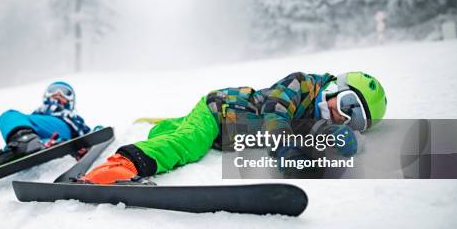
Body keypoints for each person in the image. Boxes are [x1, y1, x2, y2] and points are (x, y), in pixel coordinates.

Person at [82, 72, 387, 184]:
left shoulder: (319, 122)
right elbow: (275, 111)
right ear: (337, 87)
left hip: (226, 132)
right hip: (219, 111)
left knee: (187, 133)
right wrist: (286, 148)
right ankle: (124, 163)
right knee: (190, 142)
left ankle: (167, 127)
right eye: (348, 104)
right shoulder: (303, 84)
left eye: (356, 119)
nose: (344, 116)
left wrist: (346, 142)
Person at [0, 81, 92, 174]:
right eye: (53, 90)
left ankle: (25, 145)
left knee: (11, 115)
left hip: (60, 126)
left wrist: (96, 134)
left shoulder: (70, 116)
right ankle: (20, 149)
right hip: (39, 138)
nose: (58, 93)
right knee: (8, 117)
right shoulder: (35, 115)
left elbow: (88, 134)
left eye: (65, 92)